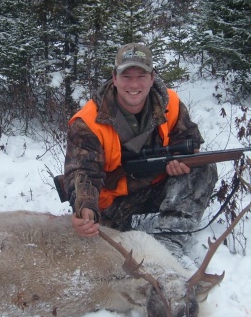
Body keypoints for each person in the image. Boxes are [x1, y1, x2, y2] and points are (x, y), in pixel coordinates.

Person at [63, 43, 218, 257]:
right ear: (114, 78)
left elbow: (188, 138)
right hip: (113, 200)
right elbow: (82, 173)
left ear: (152, 77)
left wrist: (179, 161)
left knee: (203, 166)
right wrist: (85, 208)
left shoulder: (170, 102)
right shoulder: (88, 121)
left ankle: (170, 241)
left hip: (156, 185)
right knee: (104, 253)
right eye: (126, 76)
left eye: (141, 75)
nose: (134, 84)